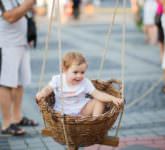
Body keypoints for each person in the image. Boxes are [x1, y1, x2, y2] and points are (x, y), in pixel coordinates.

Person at [36, 52, 123, 116]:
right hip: (62, 113)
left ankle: (94, 123)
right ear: (65, 70)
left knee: (99, 102)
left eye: (82, 72)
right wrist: (42, 93)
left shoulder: (85, 82)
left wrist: (112, 98)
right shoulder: (58, 79)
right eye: (75, 72)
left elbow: (97, 94)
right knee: (56, 113)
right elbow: (48, 88)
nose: (79, 76)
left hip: (82, 111)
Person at [0, 0, 38, 136]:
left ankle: (17, 117)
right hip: (6, 44)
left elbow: (25, 11)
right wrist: (29, 3)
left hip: (21, 42)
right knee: (6, 83)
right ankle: (6, 123)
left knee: (19, 82)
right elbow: (10, 17)